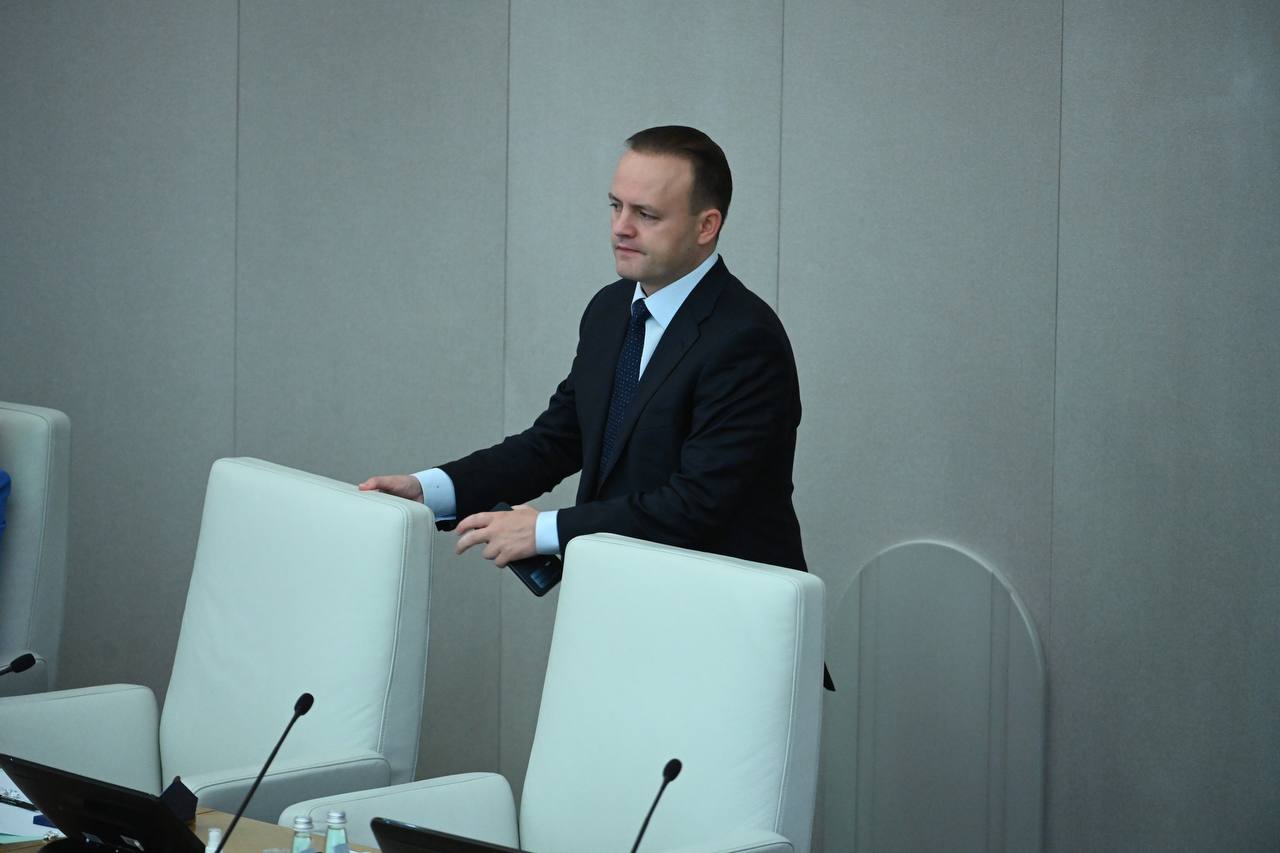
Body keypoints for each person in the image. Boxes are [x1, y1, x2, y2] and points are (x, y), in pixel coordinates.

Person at [361, 125, 806, 574]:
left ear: (706, 225)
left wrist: (543, 530)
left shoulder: (747, 340)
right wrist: (430, 490)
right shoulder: (610, 309)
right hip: (611, 587)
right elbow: (557, 440)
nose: (621, 228)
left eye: (646, 214)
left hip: (718, 600)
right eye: (616, 206)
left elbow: (697, 503)